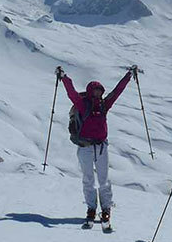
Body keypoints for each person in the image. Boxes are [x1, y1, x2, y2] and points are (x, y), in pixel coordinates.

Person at [56, 65, 136, 227]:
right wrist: (64, 78)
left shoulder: (104, 105)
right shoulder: (83, 104)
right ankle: (91, 208)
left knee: (103, 179)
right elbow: (71, 93)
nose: (99, 93)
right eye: (96, 90)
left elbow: (116, 92)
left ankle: (106, 208)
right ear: (91, 91)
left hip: (101, 147)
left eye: (100, 90)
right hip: (85, 146)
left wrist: (128, 76)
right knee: (88, 179)